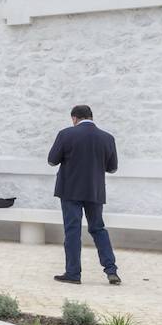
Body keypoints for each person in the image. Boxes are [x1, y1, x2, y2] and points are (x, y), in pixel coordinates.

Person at [48, 105, 121, 285]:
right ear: (91, 117)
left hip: (70, 190)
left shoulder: (66, 134)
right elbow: (112, 168)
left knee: (72, 230)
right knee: (98, 229)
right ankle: (111, 270)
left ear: (74, 118)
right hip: (95, 190)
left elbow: (52, 160)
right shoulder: (107, 138)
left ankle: (73, 273)